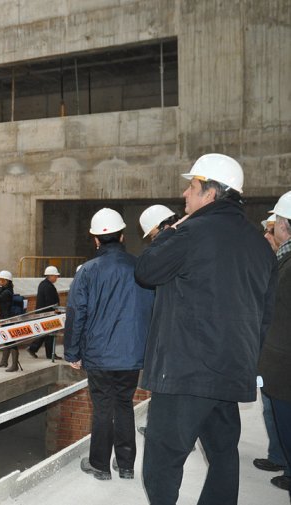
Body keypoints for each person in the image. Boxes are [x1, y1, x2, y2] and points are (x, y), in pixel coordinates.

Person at [135, 153, 277, 505]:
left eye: (192, 186)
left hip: (185, 372)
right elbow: (265, 315)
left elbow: (146, 271)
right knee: (224, 456)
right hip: (230, 371)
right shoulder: (260, 244)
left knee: (163, 461)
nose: (185, 193)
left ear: (211, 193)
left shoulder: (190, 233)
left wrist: (175, 229)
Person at [64, 208, 154, 481]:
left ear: (96, 240)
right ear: (123, 236)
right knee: (124, 404)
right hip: (131, 354)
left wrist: (72, 352)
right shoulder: (140, 267)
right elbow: (150, 310)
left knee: (103, 407)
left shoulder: (88, 271)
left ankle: (100, 465)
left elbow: (76, 314)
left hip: (100, 355)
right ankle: (126, 465)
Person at [258, 191, 291, 499]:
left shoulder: (287, 264)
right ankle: (281, 459)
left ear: (284, 226)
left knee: (284, 415)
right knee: (276, 413)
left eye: (275, 225)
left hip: (283, 360)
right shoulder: (283, 260)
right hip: (277, 358)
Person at [0, 270, 23, 372]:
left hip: (8, 318)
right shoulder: (3, 289)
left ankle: (15, 365)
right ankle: (4, 361)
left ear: (6, 281)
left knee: (11, 340)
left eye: (1, 280)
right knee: (6, 339)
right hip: (4, 317)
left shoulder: (7, 292)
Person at [27, 265, 62, 360]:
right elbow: (50, 301)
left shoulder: (44, 284)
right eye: (55, 276)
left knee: (44, 334)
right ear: (50, 276)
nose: (56, 278)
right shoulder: (48, 286)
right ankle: (50, 354)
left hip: (44, 313)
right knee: (49, 335)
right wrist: (55, 310)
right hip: (48, 314)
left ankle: (33, 349)